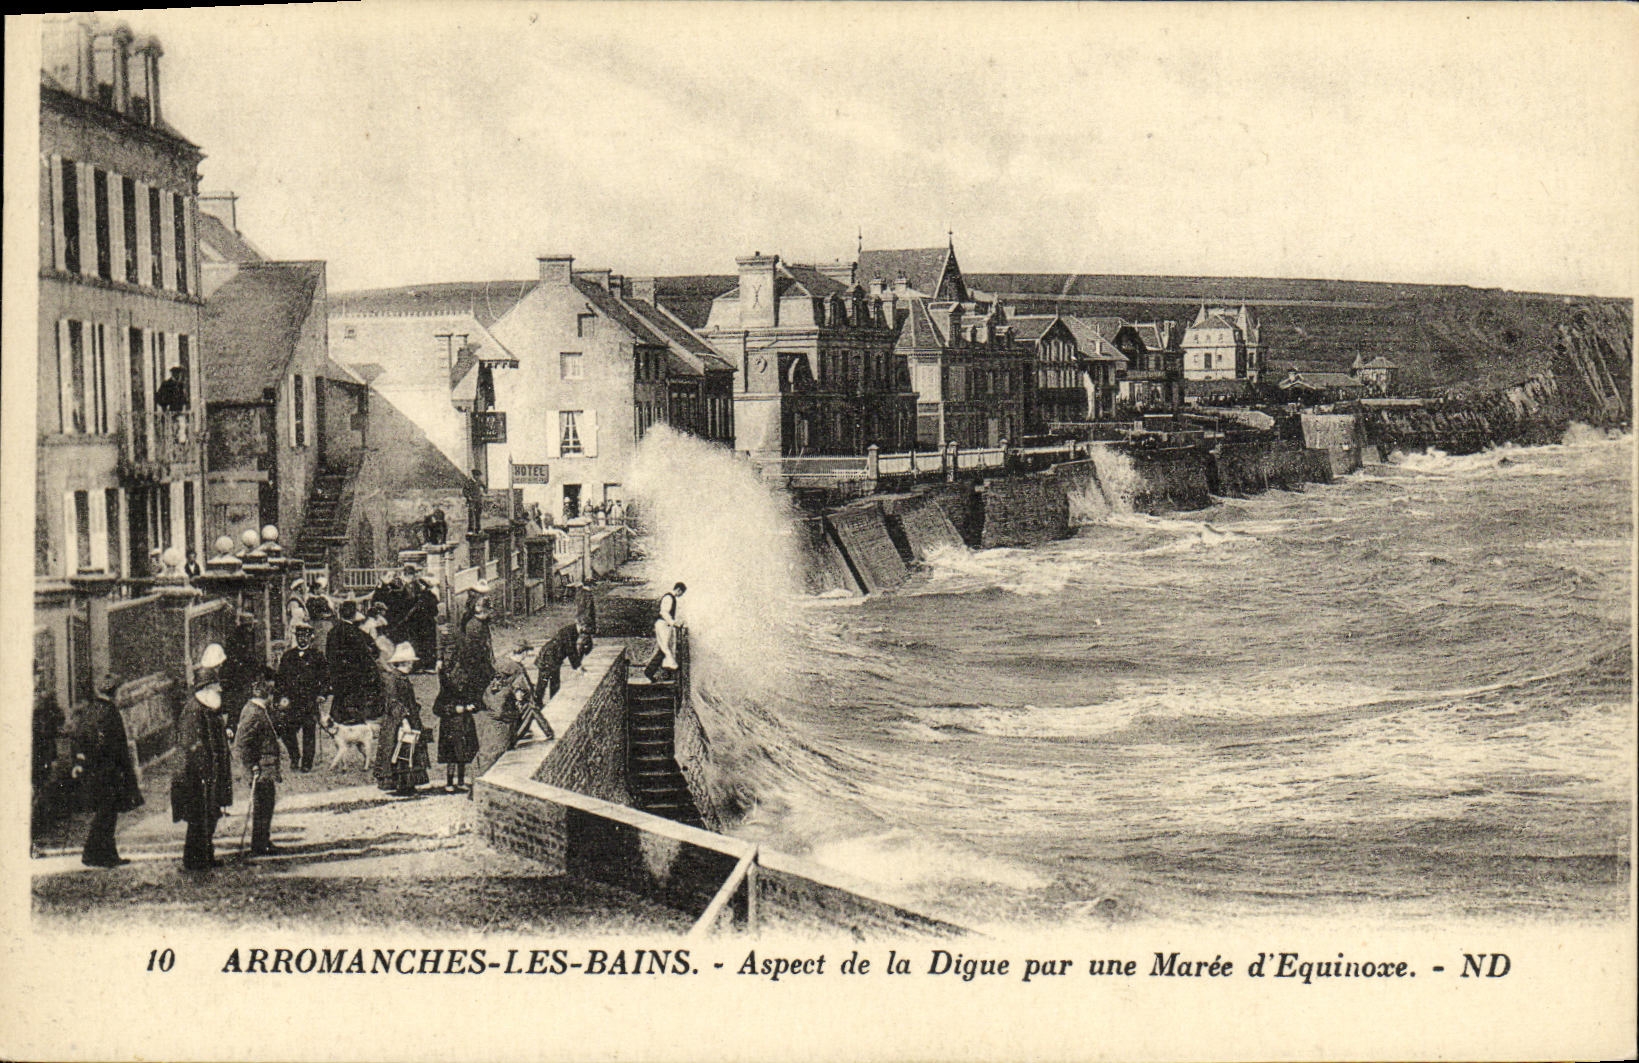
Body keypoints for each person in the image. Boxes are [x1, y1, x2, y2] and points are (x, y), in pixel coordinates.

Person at [174, 644, 233, 871]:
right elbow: (191, 745)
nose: (219, 691)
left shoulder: (208, 709)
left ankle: (205, 855)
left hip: (210, 775)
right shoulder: (194, 710)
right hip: (196, 776)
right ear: (206, 688)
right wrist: (203, 771)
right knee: (199, 818)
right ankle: (194, 859)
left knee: (210, 815)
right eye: (216, 687)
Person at [74, 674, 143, 868]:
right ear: (115, 692)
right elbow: (115, 745)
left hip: (96, 771)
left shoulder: (91, 709)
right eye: (120, 692)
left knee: (106, 814)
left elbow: (81, 737)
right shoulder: (110, 712)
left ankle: (105, 854)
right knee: (107, 815)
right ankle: (96, 855)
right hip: (108, 772)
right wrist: (124, 771)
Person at [234, 668, 283, 855]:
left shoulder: (260, 710)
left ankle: (263, 840)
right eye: (271, 694)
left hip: (266, 769)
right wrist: (252, 764)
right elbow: (242, 743)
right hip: (260, 770)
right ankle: (259, 844)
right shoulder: (253, 712)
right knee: (262, 806)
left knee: (267, 805)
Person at [374, 643, 430, 796]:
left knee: (409, 751)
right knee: (398, 751)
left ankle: (408, 784)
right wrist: (404, 720)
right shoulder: (393, 679)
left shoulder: (402, 678)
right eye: (410, 661)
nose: (412, 664)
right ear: (404, 662)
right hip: (397, 722)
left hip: (408, 719)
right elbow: (393, 702)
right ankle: (400, 785)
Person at [275, 620, 328, 772]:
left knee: (309, 732)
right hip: (292, 702)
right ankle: (294, 757)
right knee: (286, 730)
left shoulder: (317, 656)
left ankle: (306, 763)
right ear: (296, 637)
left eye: (305, 636)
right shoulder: (288, 656)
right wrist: (280, 698)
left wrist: (322, 694)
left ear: (311, 637)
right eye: (299, 636)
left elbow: (325, 678)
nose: (302, 639)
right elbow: (280, 679)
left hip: (310, 702)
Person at [326, 599, 382, 725]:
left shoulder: (332, 632)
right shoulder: (357, 633)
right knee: (355, 701)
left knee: (339, 698)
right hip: (354, 674)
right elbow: (365, 654)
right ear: (354, 614)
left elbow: (328, 655)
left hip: (337, 673)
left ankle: (336, 721)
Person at [431, 657, 479, 794]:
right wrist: (453, 710)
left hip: (465, 724)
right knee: (451, 756)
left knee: (462, 755)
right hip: (450, 726)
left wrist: (471, 706)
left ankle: (461, 781)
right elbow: (437, 709)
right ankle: (450, 782)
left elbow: (476, 703)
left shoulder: (468, 691)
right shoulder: (445, 693)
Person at [218, 610, 263, 729]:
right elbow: (246, 659)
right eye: (249, 626)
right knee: (238, 706)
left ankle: (235, 730)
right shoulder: (240, 638)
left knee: (239, 706)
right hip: (238, 678)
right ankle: (233, 731)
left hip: (240, 678)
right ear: (245, 626)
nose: (251, 628)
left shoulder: (243, 636)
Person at [534, 620, 591, 708]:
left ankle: (552, 703)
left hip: (554, 657)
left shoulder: (573, 630)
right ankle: (537, 704)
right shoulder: (569, 632)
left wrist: (578, 665)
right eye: (585, 628)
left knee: (554, 682)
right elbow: (570, 650)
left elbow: (574, 650)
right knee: (543, 682)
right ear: (582, 626)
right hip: (549, 657)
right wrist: (578, 667)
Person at [643, 582, 687, 682]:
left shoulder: (671, 597)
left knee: (665, 648)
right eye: (682, 593)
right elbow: (664, 612)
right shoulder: (669, 597)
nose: (681, 595)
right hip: (662, 624)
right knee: (665, 647)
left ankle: (658, 670)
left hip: (664, 625)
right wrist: (673, 622)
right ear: (679, 590)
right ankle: (664, 668)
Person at [399, 568, 439, 671]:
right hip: (424, 623)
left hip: (421, 623)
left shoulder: (422, 596)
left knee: (422, 644)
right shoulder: (426, 596)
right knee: (426, 644)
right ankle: (426, 665)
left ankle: (421, 665)